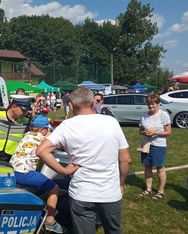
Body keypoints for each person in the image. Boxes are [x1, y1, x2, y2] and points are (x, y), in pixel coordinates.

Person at [36, 87, 132, 234]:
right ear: (94, 103)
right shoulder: (111, 122)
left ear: (71, 105)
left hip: (81, 193)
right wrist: (121, 183)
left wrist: (63, 170)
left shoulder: (67, 126)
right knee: (114, 230)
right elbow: (126, 159)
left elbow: (41, 150)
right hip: (109, 192)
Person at [9, 114, 66, 233]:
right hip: (24, 173)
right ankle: (50, 221)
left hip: (12, 170)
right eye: (47, 129)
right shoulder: (43, 137)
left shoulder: (27, 135)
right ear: (43, 130)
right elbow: (60, 144)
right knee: (54, 188)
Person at [138, 93, 171, 199]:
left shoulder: (163, 114)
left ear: (158, 104)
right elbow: (140, 130)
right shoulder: (144, 115)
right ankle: (148, 189)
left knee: (160, 168)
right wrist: (144, 132)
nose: (151, 107)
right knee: (147, 166)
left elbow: (168, 132)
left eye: (153, 105)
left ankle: (161, 191)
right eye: (149, 105)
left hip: (159, 145)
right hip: (146, 144)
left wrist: (155, 133)